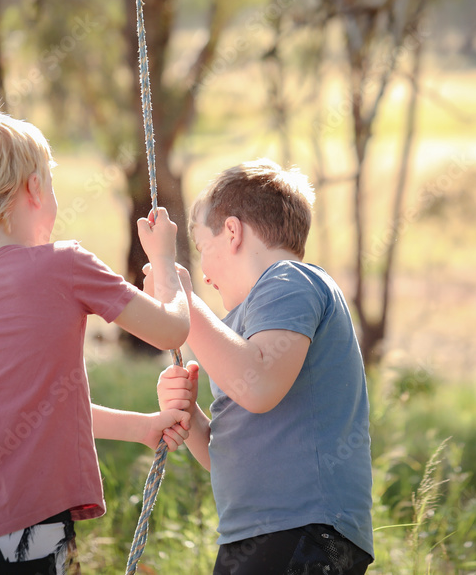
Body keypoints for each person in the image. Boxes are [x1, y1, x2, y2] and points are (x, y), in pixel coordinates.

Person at [0, 105, 190, 575]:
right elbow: (172, 329)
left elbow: (34, 408)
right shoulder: (65, 264)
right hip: (27, 529)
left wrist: (141, 427)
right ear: (36, 188)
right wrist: (166, 266)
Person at [154, 159, 374, 575]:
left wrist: (181, 298)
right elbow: (231, 456)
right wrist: (191, 416)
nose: (204, 274)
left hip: (303, 529)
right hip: (260, 532)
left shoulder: (289, 281)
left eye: (203, 249)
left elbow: (257, 388)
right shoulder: (249, 324)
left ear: (233, 232)